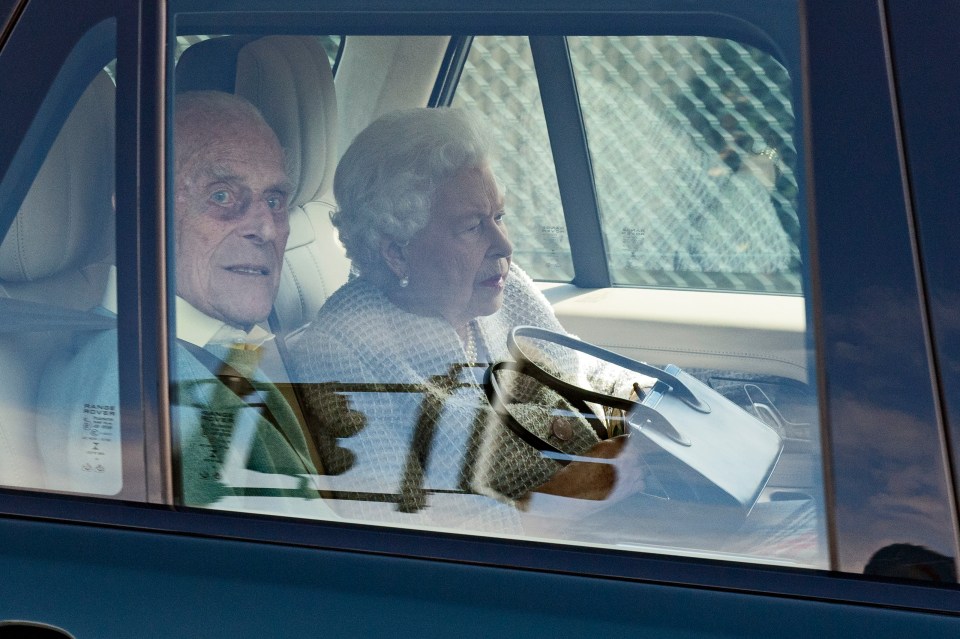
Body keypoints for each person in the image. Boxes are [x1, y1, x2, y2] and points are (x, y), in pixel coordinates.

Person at [291, 107, 644, 533]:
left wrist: (644, 404)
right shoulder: (340, 353)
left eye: (499, 217)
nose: (504, 245)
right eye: (473, 226)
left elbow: (578, 371)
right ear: (397, 251)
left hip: (623, 510)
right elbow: (393, 522)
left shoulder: (503, 288)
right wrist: (566, 500)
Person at [36, 91, 319, 506]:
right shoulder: (140, 385)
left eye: (274, 201)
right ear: (139, 210)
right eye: (222, 196)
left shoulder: (201, 351)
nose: (268, 229)